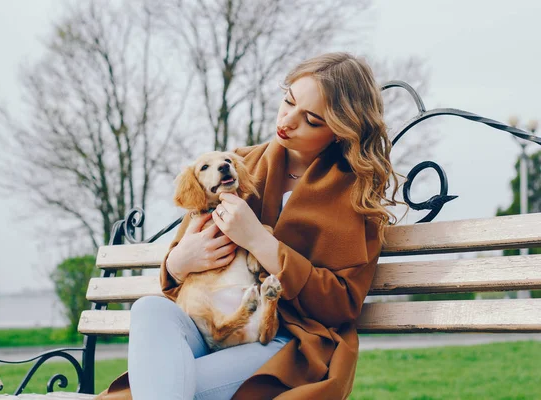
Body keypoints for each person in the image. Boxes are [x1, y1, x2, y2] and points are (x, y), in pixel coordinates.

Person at [97, 52, 401, 400]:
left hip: (289, 339)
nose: (287, 120)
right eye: (288, 101)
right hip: (208, 321)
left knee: (170, 385)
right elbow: (179, 263)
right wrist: (178, 263)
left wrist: (259, 241)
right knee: (149, 309)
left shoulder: (354, 196)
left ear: (339, 132)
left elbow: (341, 306)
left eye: (312, 120)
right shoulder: (240, 163)